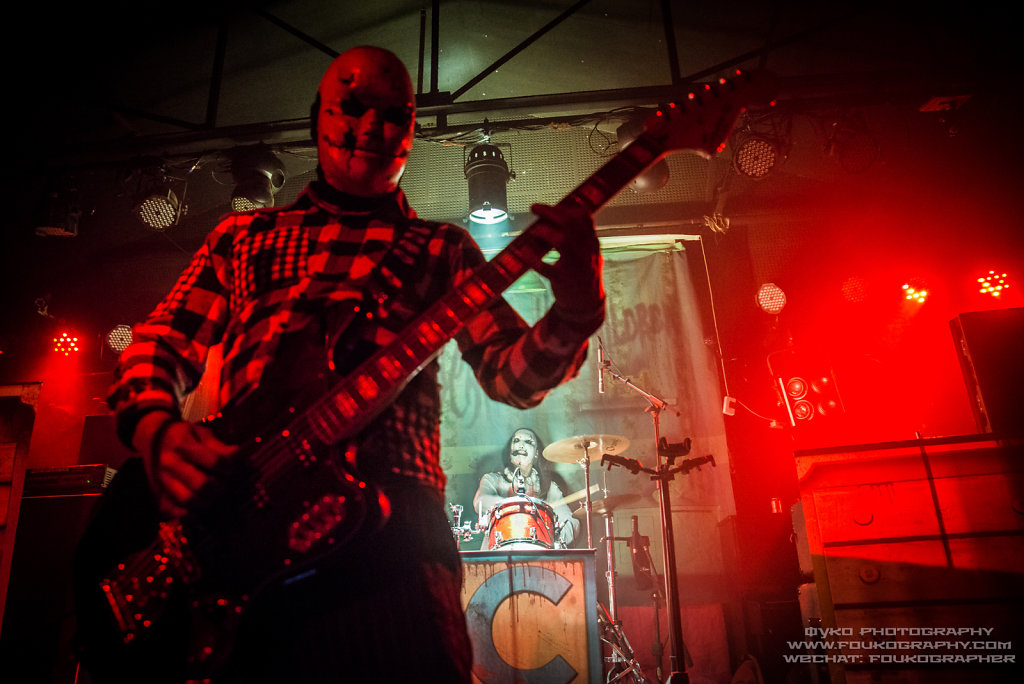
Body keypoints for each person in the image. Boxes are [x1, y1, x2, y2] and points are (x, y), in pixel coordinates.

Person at [85, 45, 604, 684]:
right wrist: (155, 429)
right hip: (244, 523)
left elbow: (512, 376)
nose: (371, 127)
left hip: (393, 528)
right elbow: (160, 341)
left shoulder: (442, 249)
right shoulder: (243, 239)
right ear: (317, 118)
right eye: (352, 107)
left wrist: (576, 310)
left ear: (411, 130)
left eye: (394, 115)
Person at [473, 427, 580, 550]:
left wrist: (555, 537)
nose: (521, 445)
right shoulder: (492, 480)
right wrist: (521, 506)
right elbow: (480, 501)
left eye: (528, 442)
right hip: (498, 555)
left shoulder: (548, 487)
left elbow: (572, 523)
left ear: (536, 454)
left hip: (538, 557)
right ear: (510, 451)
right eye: (516, 440)